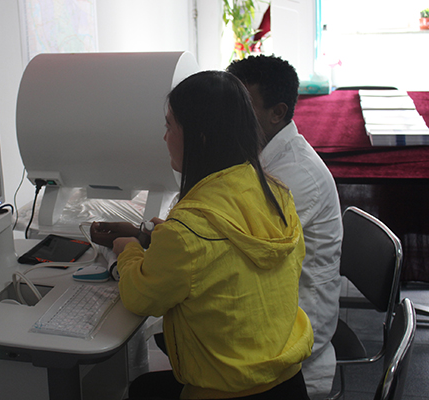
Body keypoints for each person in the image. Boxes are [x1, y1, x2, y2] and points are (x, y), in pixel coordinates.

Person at [93, 70, 313, 399]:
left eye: (170, 126)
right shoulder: (276, 194)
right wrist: (154, 235)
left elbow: (141, 297)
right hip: (287, 381)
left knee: (138, 390)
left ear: (201, 137)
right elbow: (226, 249)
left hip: (227, 390)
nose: (164, 138)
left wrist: (128, 250)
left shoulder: (188, 229)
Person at [227, 55, 343, 400]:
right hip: (273, 300)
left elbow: (239, 246)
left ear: (277, 113)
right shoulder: (260, 151)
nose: (230, 116)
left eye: (243, 106)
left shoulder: (295, 176)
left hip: (298, 320)